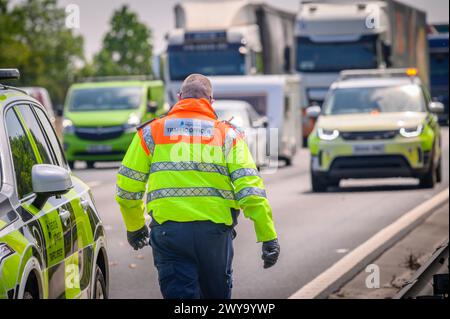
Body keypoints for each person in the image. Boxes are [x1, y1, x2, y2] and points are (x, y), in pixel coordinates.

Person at [115, 74, 280, 299]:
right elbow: (249, 189)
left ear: (180, 97)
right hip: (214, 235)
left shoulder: (151, 132)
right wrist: (267, 235)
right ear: (211, 101)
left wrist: (135, 227)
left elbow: (127, 189)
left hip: (169, 233)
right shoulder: (227, 135)